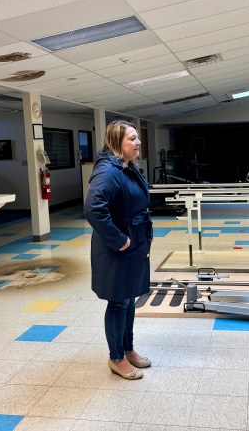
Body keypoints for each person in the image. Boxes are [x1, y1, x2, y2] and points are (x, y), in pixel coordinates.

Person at [83, 120, 153, 380]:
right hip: (118, 247)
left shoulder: (127, 167)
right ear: (117, 143)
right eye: (132, 139)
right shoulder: (108, 171)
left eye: (137, 138)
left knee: (129, 296)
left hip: (133, 242)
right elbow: (93, 209)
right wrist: (119, 239)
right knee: (118, 302)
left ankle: (127, 349)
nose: (138, 143)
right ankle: (116, 358)